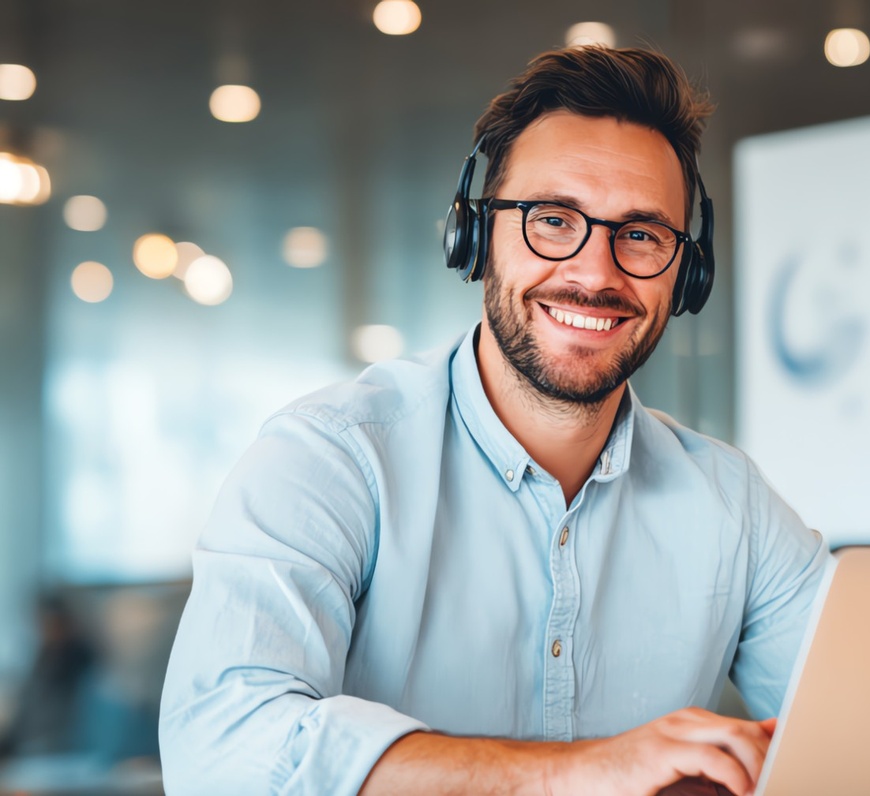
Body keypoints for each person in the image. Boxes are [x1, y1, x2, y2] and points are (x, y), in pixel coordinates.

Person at [159, 46, 829, 796]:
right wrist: (578, 775)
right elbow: (220, 748)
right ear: (474, 237)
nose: (596, 273)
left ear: (688, 273)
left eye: (641, 234)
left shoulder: (731, 504)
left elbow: (863, 727)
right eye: (553, 219)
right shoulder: (333, 457)